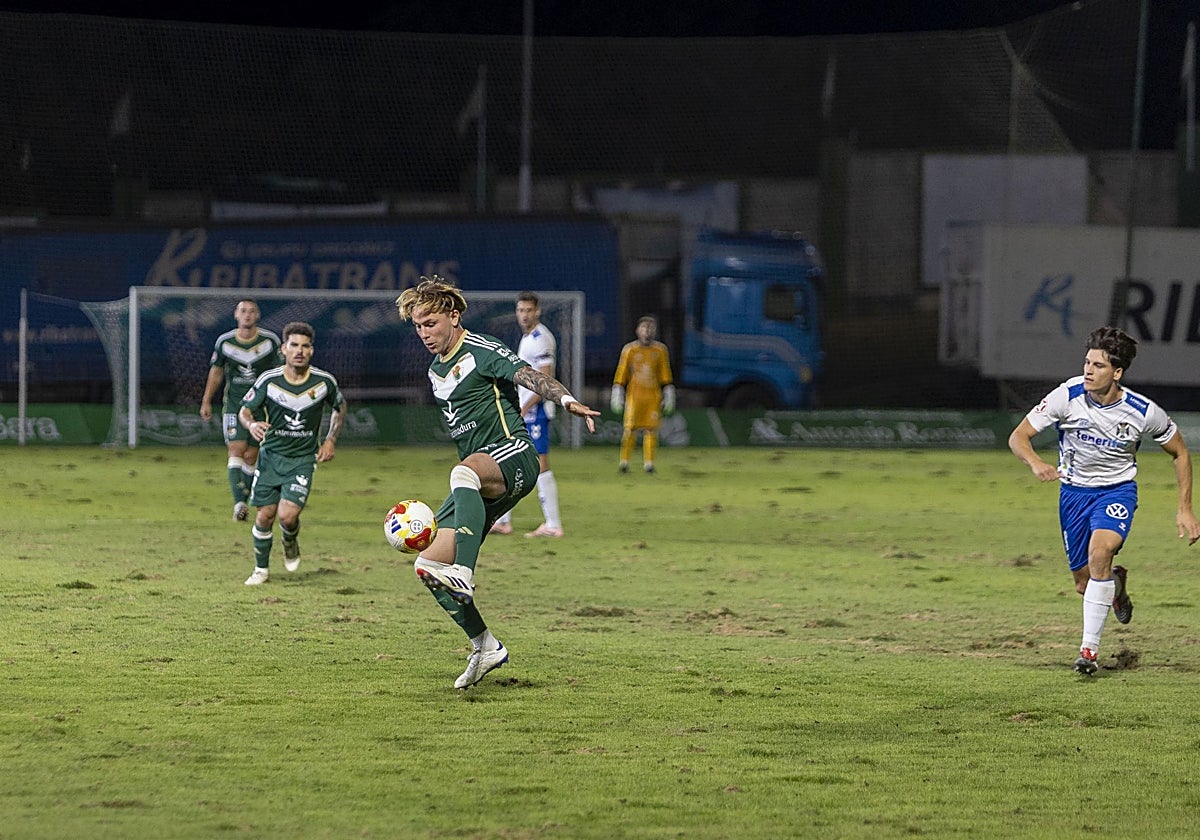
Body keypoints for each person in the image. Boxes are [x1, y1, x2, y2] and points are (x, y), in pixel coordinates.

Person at [395, 276, 600, 689]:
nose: (424, 333)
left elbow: (530, 376)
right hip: (481, 474)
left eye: (431, 323)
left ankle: (465, 573)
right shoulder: (435, 370)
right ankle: (485, 645)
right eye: (418, 326)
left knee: (462, 473)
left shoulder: (481, 349)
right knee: (427, 565)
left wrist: (565, 400)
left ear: (453, 316)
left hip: (514, 454)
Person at [1008, 326, 1200, 675]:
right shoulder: (1066, 395)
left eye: (1097, 365)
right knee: (1085, 582)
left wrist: (1185, 508)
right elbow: (1019, 436)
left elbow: (1180, 453)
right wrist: (1036, 462)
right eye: (1087, 362)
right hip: (1073, 495)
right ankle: (1117, 585)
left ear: (1117, 372)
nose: (1088, 370)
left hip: (1116, 492)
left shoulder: (1143, 412)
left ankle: (1088, 653)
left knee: (1100, 552)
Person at [238, 321, 345, 586]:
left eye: (305, 346)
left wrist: (330, 439)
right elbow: (245, 411)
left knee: (288, 515)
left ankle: (290, 539)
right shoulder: (269, 381)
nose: (299, 350)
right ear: (283, 349)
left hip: (302, 460)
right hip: (270, 457)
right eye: (294, 345)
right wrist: (251, 424)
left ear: (311, 351)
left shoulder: (323, 382)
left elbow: (340, 407)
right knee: (264, 515)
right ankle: (260, 570)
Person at [490, 291, 566, 538]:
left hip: (537, 412)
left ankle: (553, 525)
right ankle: (503, 520)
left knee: (541, 465)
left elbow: (546, 380)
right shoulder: (527, 339)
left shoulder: (541, 338)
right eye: (520, 310)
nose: (524, 315)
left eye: (528, 311)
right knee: (508, 460)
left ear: (538, 311)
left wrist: (524, 409)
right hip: (526, 410)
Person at [199, 299, 283, 521]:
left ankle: (244, 499)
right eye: (243, 311)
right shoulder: (225, 342)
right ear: (236, 315)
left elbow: (279, 373)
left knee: (251, 455)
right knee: (236, 449)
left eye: (252, 311)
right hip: (234, 406)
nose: (247, 315)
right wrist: (206, 400)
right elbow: (216, 372)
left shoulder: (270, 342)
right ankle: (238, 505)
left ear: (258, 315)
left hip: (261, 406)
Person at [611, 314, 675, 474]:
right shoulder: (630, 350)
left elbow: (665, 375)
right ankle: (624, 462)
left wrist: (669, 394)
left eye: (650, 328)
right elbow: (622, 373)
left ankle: (649, 464)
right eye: (645, 328)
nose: (648, 331)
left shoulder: (660, 350)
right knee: (630, 430)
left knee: (651, 430)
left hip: (653, 397)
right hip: (634, 397)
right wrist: (617, 393)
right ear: (637, 330)